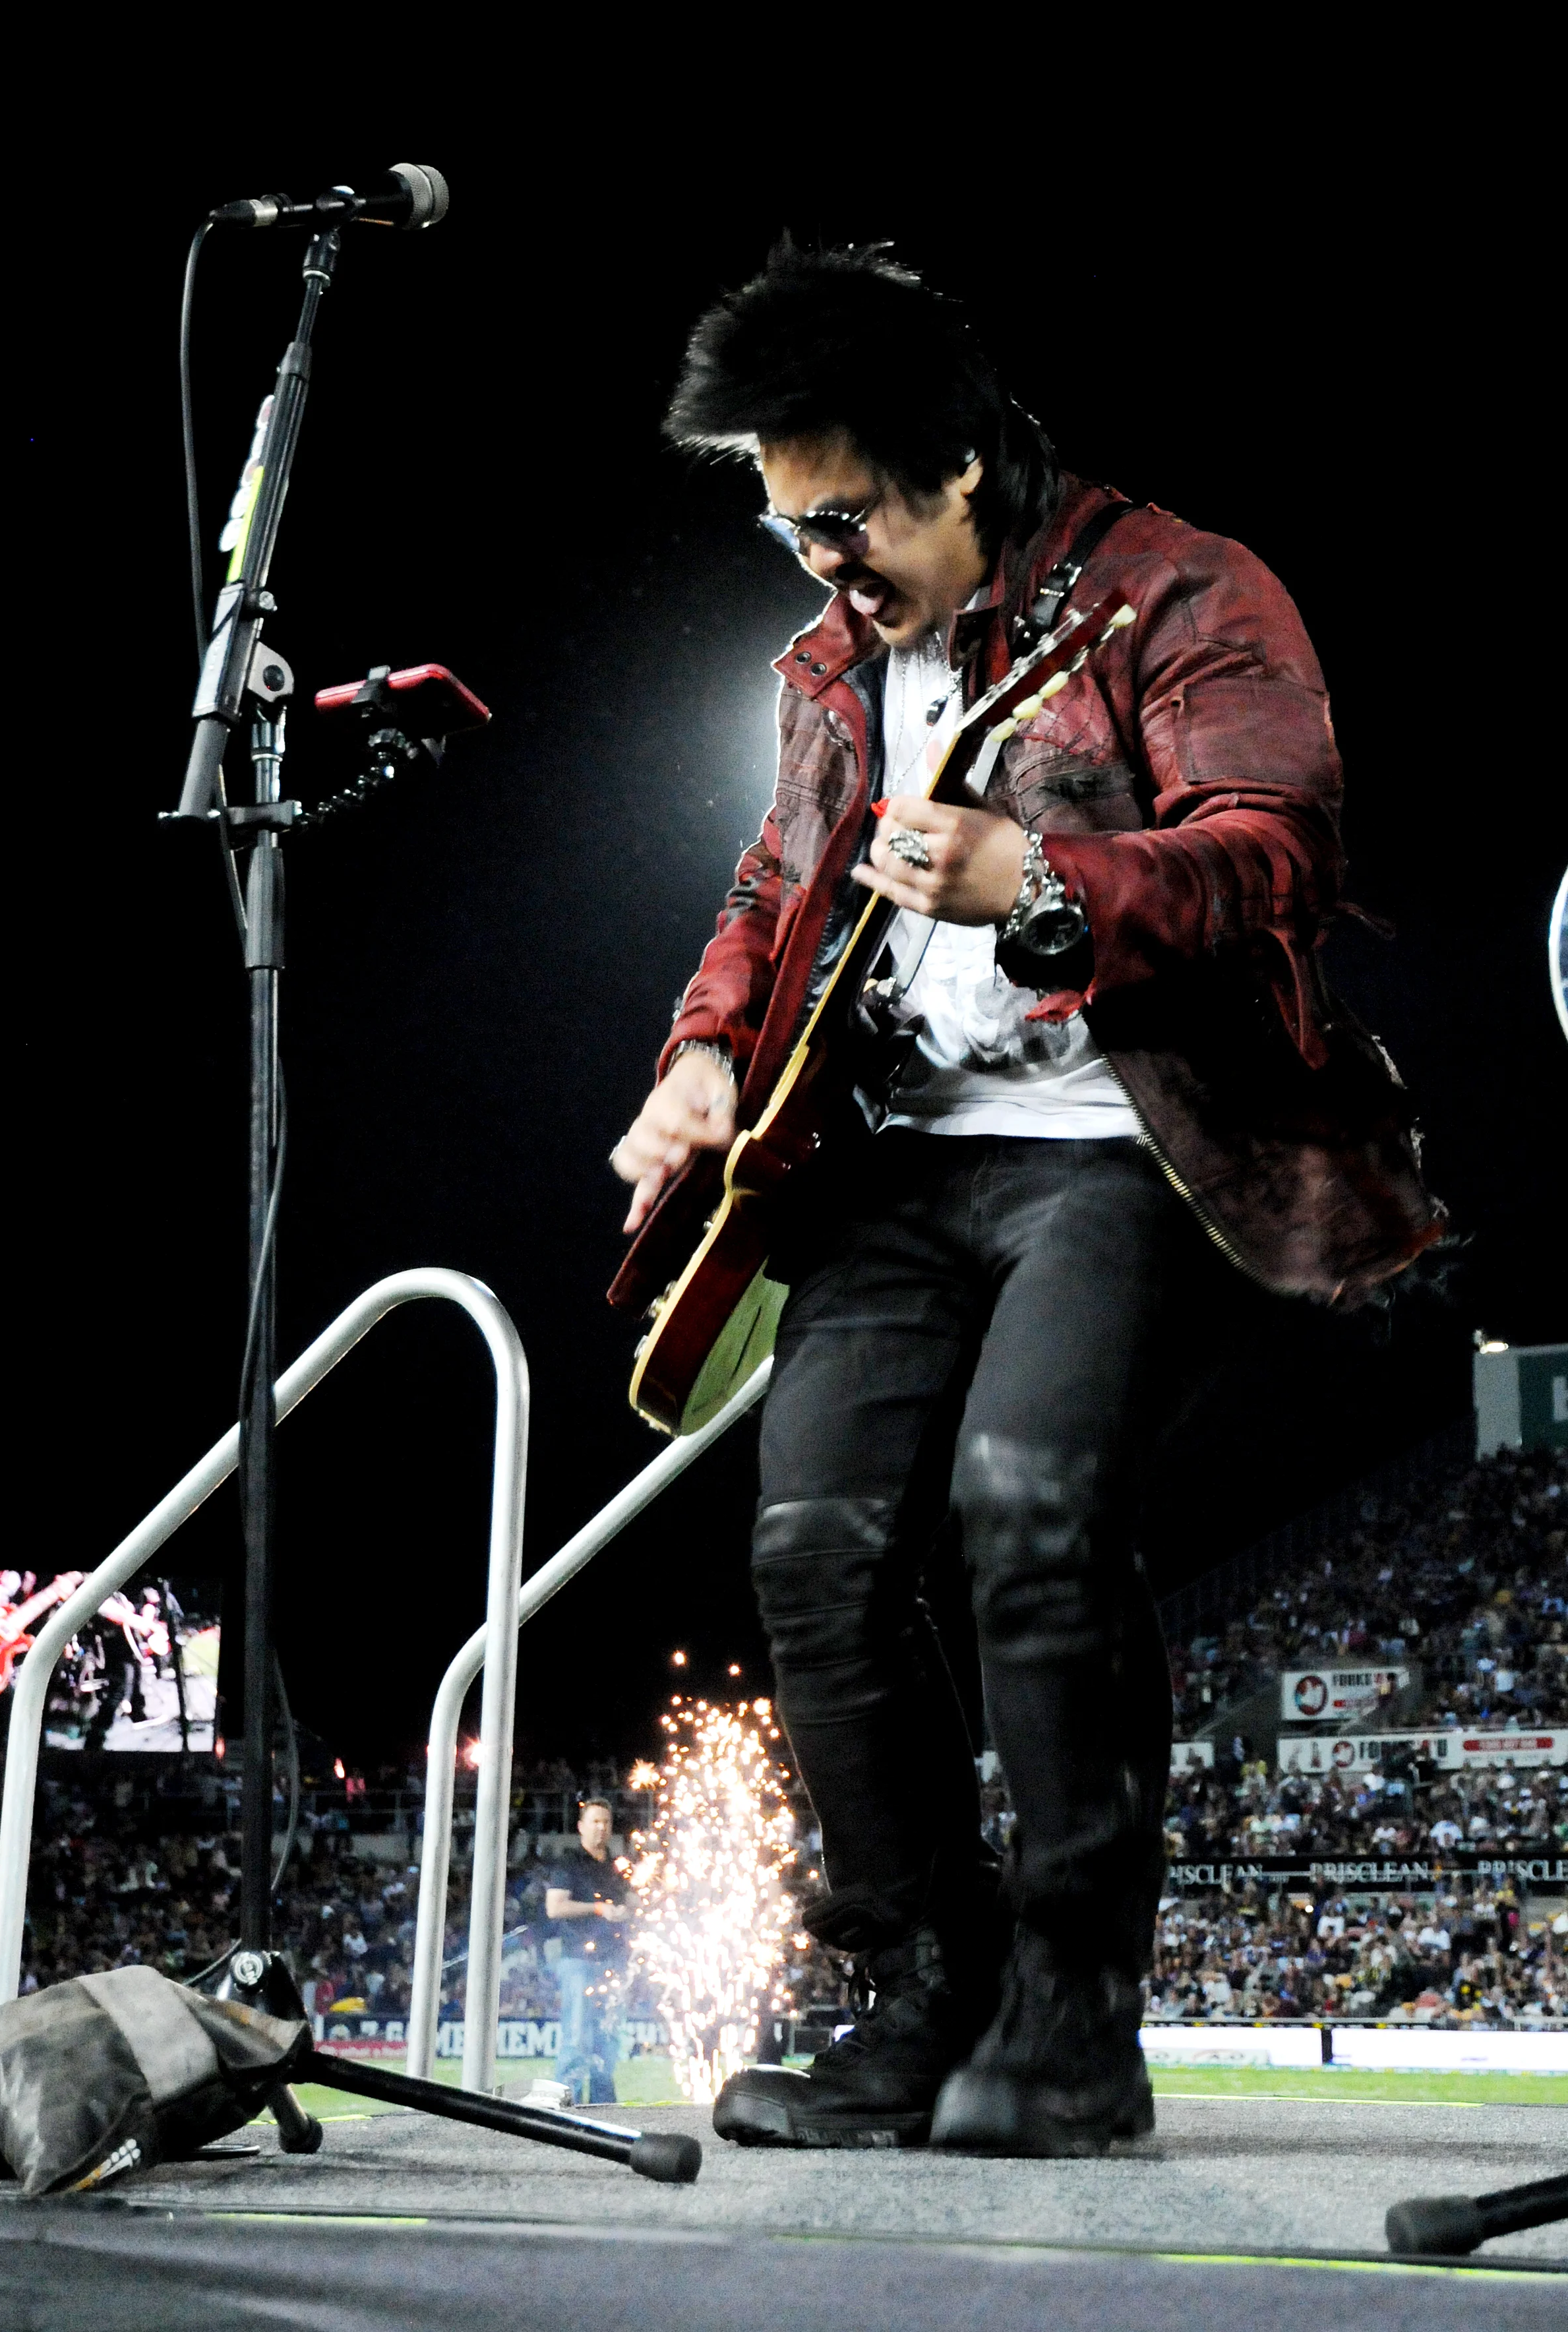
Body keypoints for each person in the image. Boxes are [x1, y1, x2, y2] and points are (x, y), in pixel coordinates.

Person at [609, 243, 1441, 2156]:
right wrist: (709, 1048)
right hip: (904, 1156)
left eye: (846, 521)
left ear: (960, 465)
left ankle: (1078, 2020)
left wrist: (1044, 889)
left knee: (1031, 1499)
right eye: (786, 531)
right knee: (812, 1551)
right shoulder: (835, 660)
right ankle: (931, 1993)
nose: (822, 568)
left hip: (1143, 1144)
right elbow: (774, 882)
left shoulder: (1182, 591)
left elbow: (1274, 853)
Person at [545, 1797, 630, 2104]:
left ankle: (605, 2107)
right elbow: (554, 1907)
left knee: (607, 2038)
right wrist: (598, 1908)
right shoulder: (569, 1863)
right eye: (595, 1821)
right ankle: (568, 2105)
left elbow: (628, 1904)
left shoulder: (617, 1867)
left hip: (613, 1959)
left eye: (606, 1822)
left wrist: (626, 1911)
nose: (601, 1827)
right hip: (578, 1961)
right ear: (581, 1827)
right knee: (578, 2038)